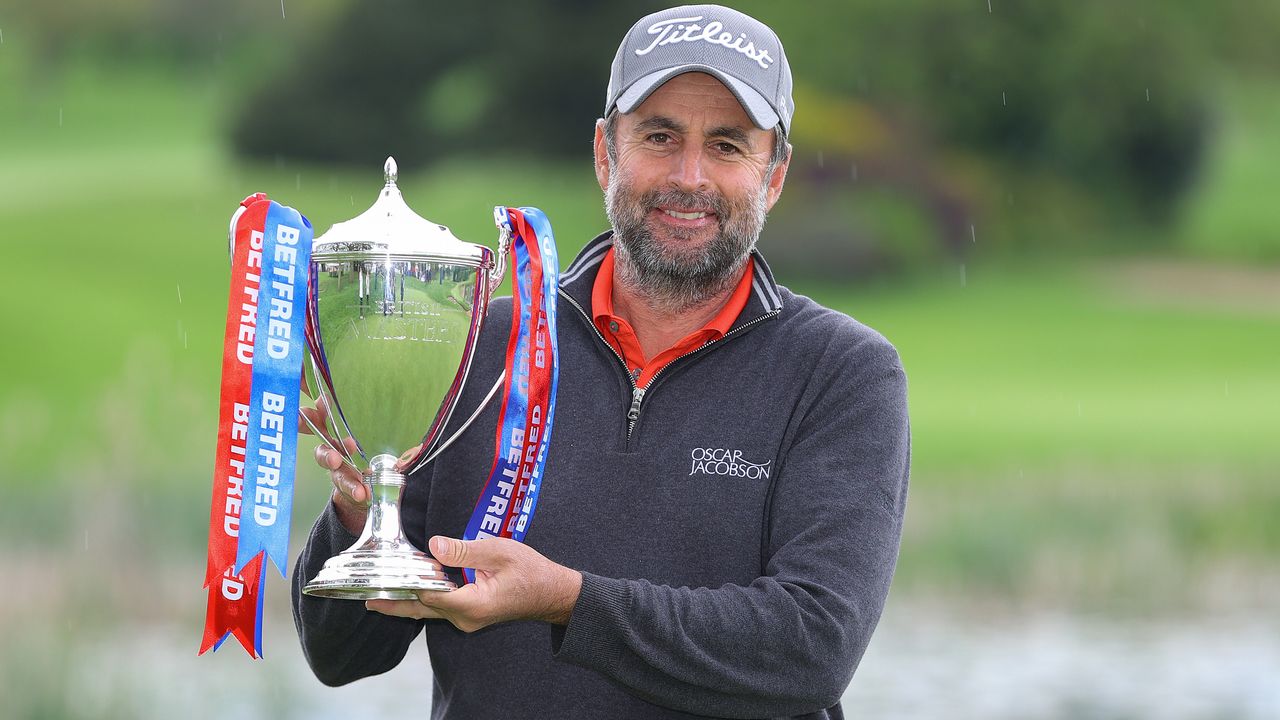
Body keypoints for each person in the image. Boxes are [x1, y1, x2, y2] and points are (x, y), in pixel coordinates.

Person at [293, 5, 910, 718]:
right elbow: (339, 657)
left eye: (728, 146)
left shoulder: (841, 373)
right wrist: (359, 515)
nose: (690, 176)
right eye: (659, 136)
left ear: (773, 175)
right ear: (603, 153)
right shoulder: (475, 346)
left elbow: (809, 648)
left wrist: (568, 603)